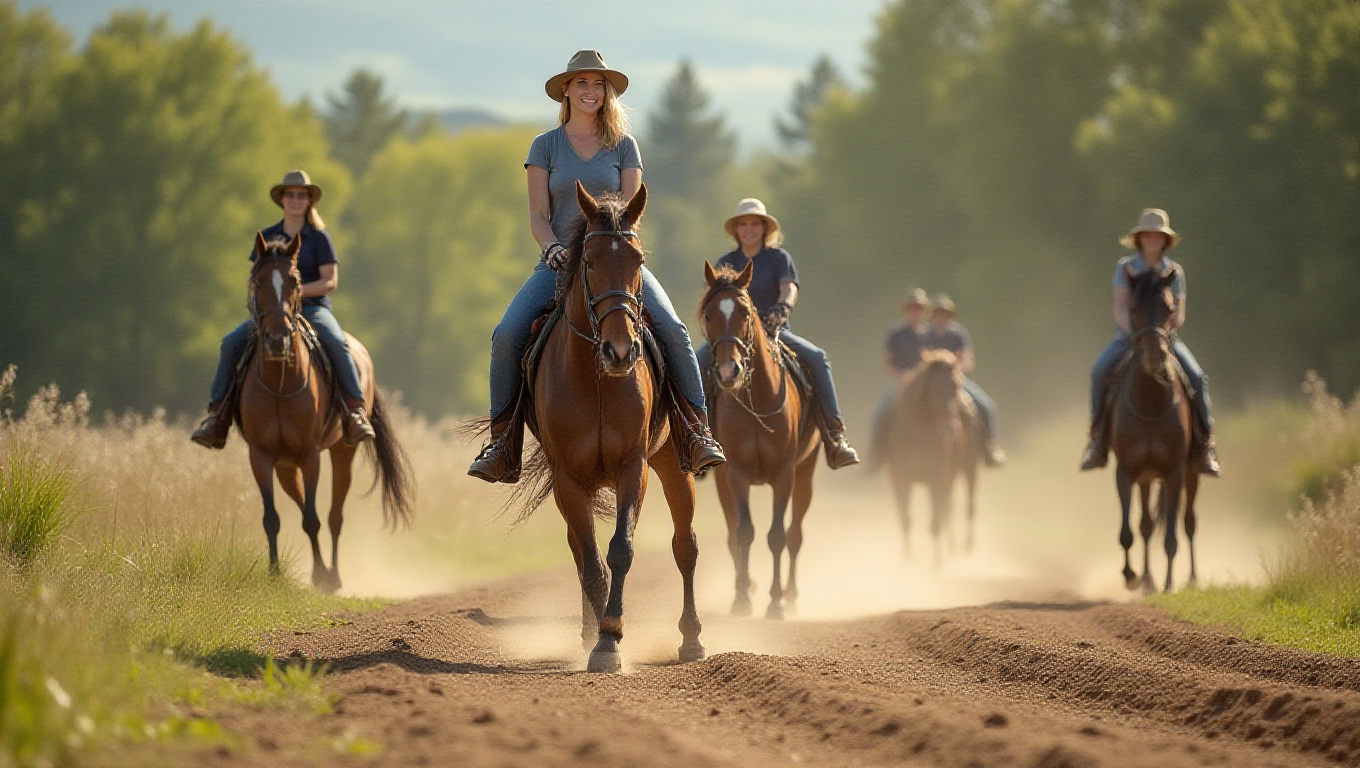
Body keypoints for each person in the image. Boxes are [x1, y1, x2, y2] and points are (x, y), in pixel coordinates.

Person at [468, 50, 724, 483]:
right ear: (565, 90)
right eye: (582, 83)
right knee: (508, 333)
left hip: (616, 261)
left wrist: (614, 251)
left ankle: (696, 431)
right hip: (559, 264)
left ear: (608, 93)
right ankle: (503, 443)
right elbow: (537, 216)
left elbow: (631, 211)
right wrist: (552, 249)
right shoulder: (544, 146)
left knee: (675, 330)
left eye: (598, 84)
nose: (591, 91)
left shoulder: (624, 146)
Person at [191, 170, 375, 449]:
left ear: (309, 200)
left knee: (337, 343)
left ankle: (354, 412)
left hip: (312, 309)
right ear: (282, 199)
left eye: (301, 195)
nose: (295, 200)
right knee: (230, 343)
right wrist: (272, 301)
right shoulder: (267, 236)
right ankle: (216, 418)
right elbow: (257, 279)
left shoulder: (319, 238)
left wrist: (292, 294)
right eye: (290, 194)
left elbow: (330, 281)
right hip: (271, 313)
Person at [696, 198, 860, 469]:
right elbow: (713, 297)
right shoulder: (727, 261)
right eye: (743, 224)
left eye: (754, 224)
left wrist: (782, 309)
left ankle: (835, 436)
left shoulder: (778, 258)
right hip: (732, 336)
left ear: (764, 228)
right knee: (695, 363)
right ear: (736, 230)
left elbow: (789, 287)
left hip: (774, 331)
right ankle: (697, 438)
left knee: (817, 358)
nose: (748, 229)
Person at [1080, 208, 1220, 475]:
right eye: (1148, 235)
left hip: (1165, 339)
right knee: (1098, 372)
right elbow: (1119, 307)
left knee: (1198, 379)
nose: (1153, 240)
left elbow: (1179, 310)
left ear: (1165, 240)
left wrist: (1163, 334)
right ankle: (1096, 441)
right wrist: (1134, 333)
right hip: (1128, 338)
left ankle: (1205, 445)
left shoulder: (1174, 272)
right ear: (1140, 238)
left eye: (1159, 236)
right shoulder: (1126, 268)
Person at [926, 294, 1006, 467]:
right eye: (938, 313)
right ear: (932, 316)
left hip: (955, 380)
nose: (941, 317)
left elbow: (967, 359)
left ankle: (990, 447)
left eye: (944, 313)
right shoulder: (925, 334)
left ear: (950, 316)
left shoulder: (958, 333)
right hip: (930, 385)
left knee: (986, 405)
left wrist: (955, 372)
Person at [868, 288, 932, 469]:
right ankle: (876, 454)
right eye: (912, 308)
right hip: (903, 384)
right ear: (906, 311)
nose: (916, 312)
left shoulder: (931, 334)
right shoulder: (896, 334)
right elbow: (887, 363)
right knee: (882, 410)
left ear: (925, 311)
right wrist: (903, 375)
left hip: (930, 387)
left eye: (919, 308)